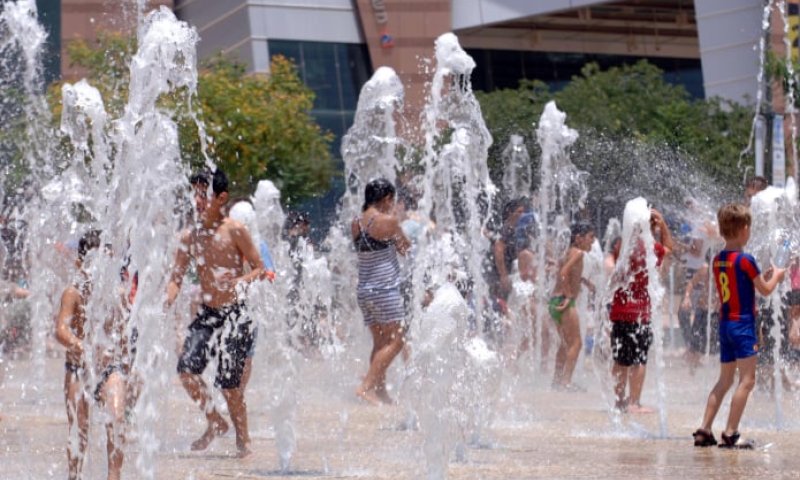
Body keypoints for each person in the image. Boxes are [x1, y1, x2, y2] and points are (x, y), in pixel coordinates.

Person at [166, 169, 265, 457]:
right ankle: (215, 421)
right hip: (209, 313)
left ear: (221, 198)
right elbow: (176, 277)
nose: (197, 200)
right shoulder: (190, 235)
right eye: (195, 193)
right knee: (186, 370)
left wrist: (240, 281)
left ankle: (243, 442)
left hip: (236, 314)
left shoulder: (234, 230)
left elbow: (259, 267)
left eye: (203, 194)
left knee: (229, 385)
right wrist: (165, 300)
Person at [693, 203, 785, 448]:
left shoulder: (718, 260)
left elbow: (739, 286)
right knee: (748, 380)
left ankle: (704, 429)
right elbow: (765, 291)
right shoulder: (746, 259)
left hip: (725, 324)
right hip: (743, 326)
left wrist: (760, 277)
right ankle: (731, 433)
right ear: (744, 229)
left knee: (724, 381)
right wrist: (777, 275)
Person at [55, 230, 136, 480]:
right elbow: (61, 330)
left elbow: (124, 335)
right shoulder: (73, 293)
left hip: (108, 369)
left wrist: (130, 369)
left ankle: (114, 476)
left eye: (108, 259)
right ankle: (74, 476)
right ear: (82, 262)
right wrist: (81, 345)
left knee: (117, 417)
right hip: (78, 369)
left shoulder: (118, 295)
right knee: (79, 430)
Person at [352, 178, 410, 406]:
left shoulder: (355, 222)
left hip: (364, 291)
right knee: (398, 340)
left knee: (380, 341)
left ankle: (379, 390)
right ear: (386, 199)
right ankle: (365, 386)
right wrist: (397, 226)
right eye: (392, 200)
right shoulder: (389, 221)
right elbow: (405, 248)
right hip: (384, 289)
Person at [610, 207, 673, 413]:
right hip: (640, 312)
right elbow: (669, 250)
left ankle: (619, 401)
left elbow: (611, 263)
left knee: (620, 359)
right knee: (639, 359)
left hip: (619, 309)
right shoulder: (652, 248)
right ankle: (634, 402)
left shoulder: (623, 246)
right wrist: (662, 224)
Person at [548, 222, 595, 390]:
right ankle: (566, 382)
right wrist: (569, 296)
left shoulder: (569, 252)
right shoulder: (579, 253)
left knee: (564, 344)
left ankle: (557, 380)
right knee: (577, 343)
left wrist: (584, 281)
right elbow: (562, 274)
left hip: (554, 301)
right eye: (590, 237)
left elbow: (564, 272)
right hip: (564, 301)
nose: (593, 241)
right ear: (578, 238)